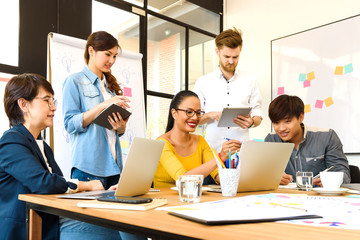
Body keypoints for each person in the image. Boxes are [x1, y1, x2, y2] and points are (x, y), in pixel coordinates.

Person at [61, 31, 144, 240]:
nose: (112, 60)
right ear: (91, 50)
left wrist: (121, 128)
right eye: (108, 54)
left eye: (115, 56)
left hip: (115, 169)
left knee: (120, 232)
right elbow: (70, 123)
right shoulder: (74, 82)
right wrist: (104, 105)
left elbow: (115, 132)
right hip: (88, 170)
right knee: (94, 234)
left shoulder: (110, 88)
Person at [0, 73, 104, 240]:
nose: (53, 107)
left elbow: (57, 186)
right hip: (28, 228)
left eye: (53, 101)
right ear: (23, 104)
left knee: (120, 225)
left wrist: (103, 194)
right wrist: (87, 186)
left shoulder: (42, 145)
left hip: (49, 220)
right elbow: (44, 183)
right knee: (110, 230)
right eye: (46, 100)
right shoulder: (11, 141)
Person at [193, 27, 262, 152]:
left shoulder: (250, 80)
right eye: (226, 56)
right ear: (217, 51)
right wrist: (212, 115)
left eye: (235, 57)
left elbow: (258, 114)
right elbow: (195, 119)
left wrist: (251, 122)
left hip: (242, 149)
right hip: (213, 149)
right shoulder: (203, 82)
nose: (231, 61)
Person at [153, 90, 241, 188]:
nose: (195, 117)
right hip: (167, 201)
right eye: (189, 112)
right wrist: (220, 158)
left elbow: (217, 176)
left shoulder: (200, 141)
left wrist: (235, 176)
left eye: (198, 113)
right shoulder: (161, 143)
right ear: (174, 113)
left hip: (194, 200)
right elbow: (182, 179)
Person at [264, 94, 350, 186]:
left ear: (301, 117)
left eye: (287, 121)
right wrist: (272, 177)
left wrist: (332, 180)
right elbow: (263, 173)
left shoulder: (327, 136)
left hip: (320, 197)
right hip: (286, 197)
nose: (281, 128)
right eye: (276, 122)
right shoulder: (271, 140)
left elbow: (343, 173)